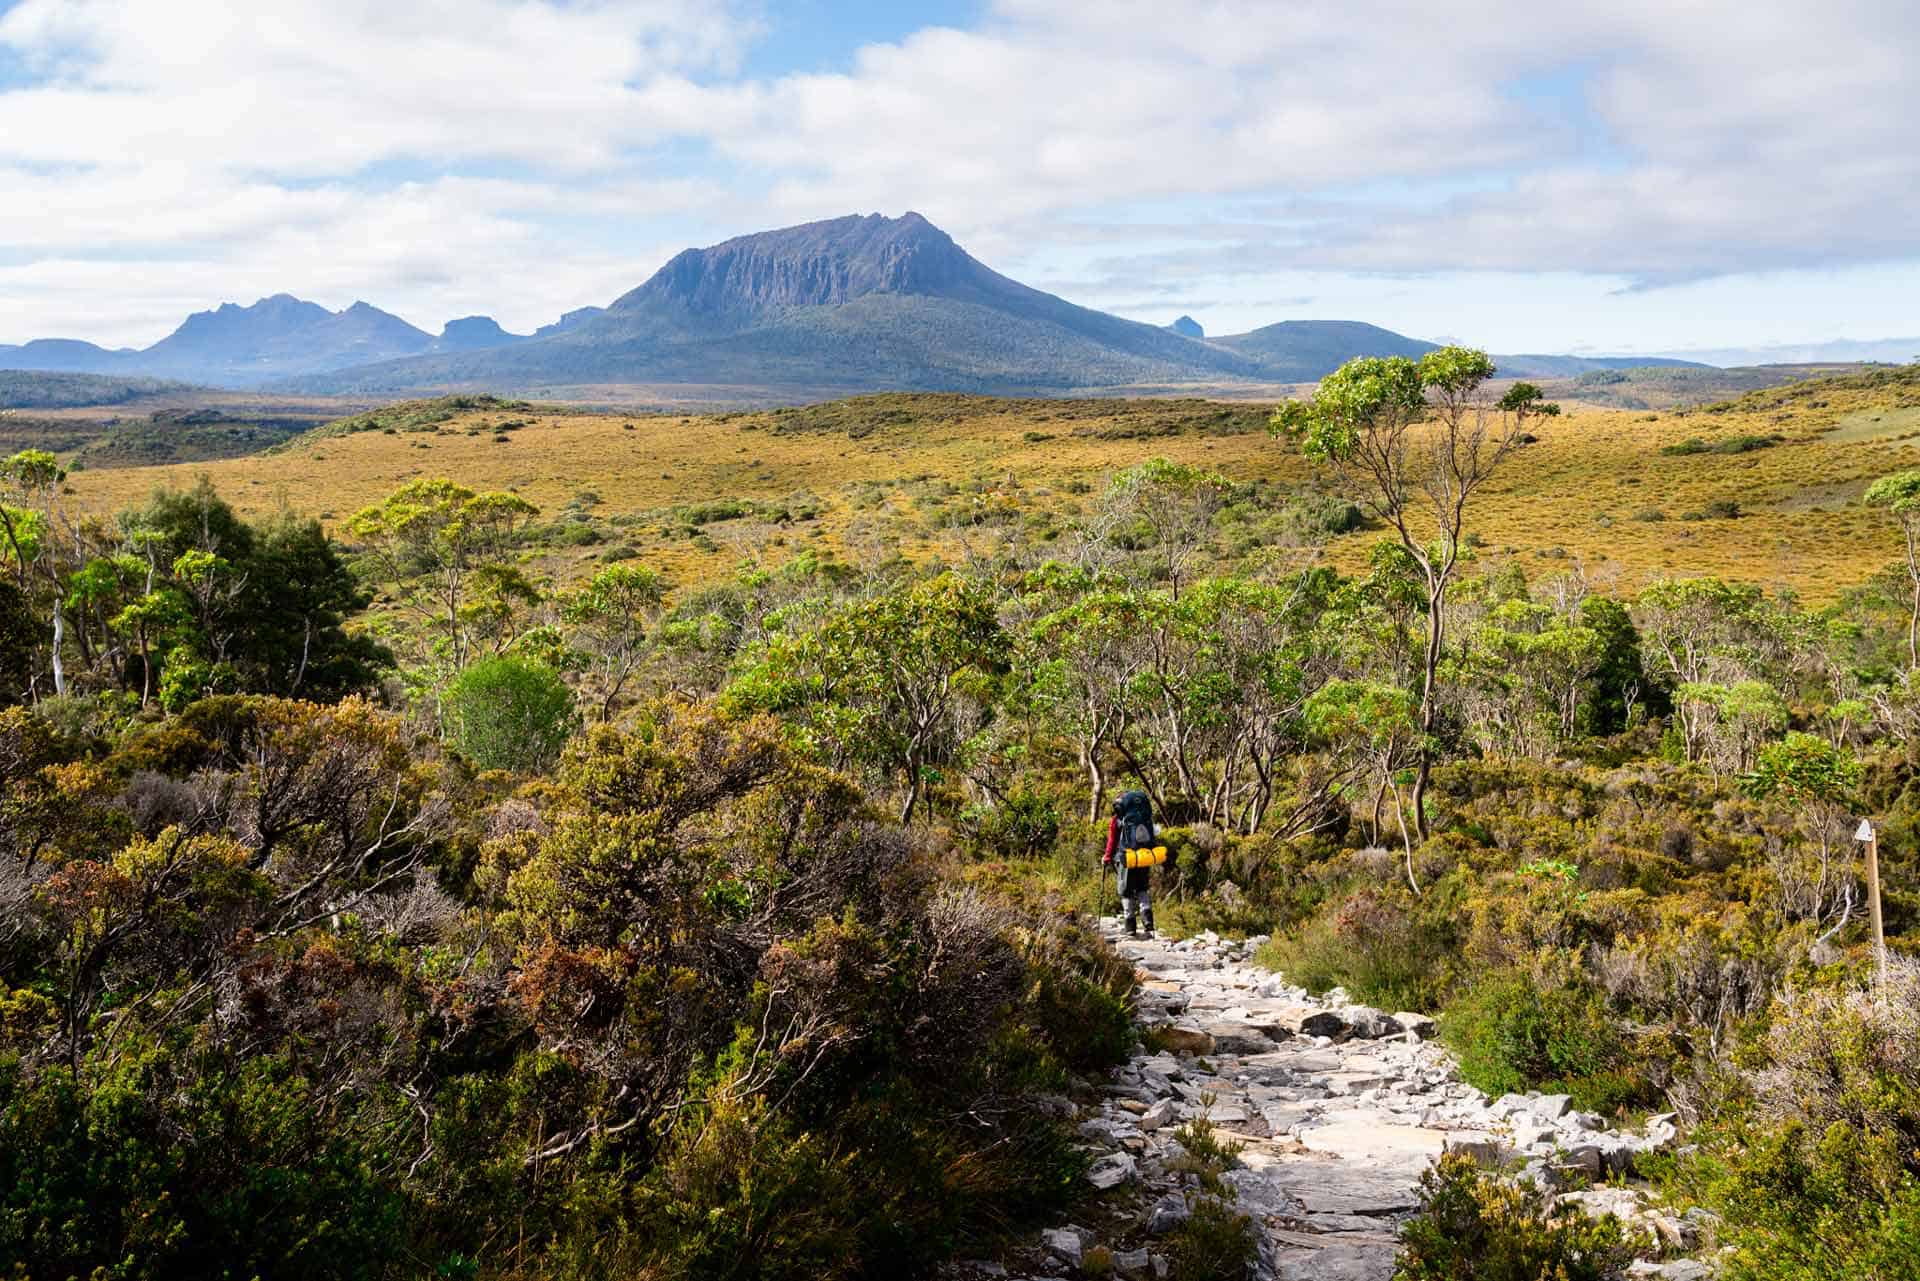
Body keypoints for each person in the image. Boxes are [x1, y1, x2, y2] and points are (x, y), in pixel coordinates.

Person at [1103, 788, 1157, 937]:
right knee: (1142, 888)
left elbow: (1112, 840)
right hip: (1144, 856)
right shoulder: (1144, 816)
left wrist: (1107, 857)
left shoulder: (1118, 819)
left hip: (1126, 857)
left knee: (1125, 890)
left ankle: (1130, 926)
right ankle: (1148, 922)